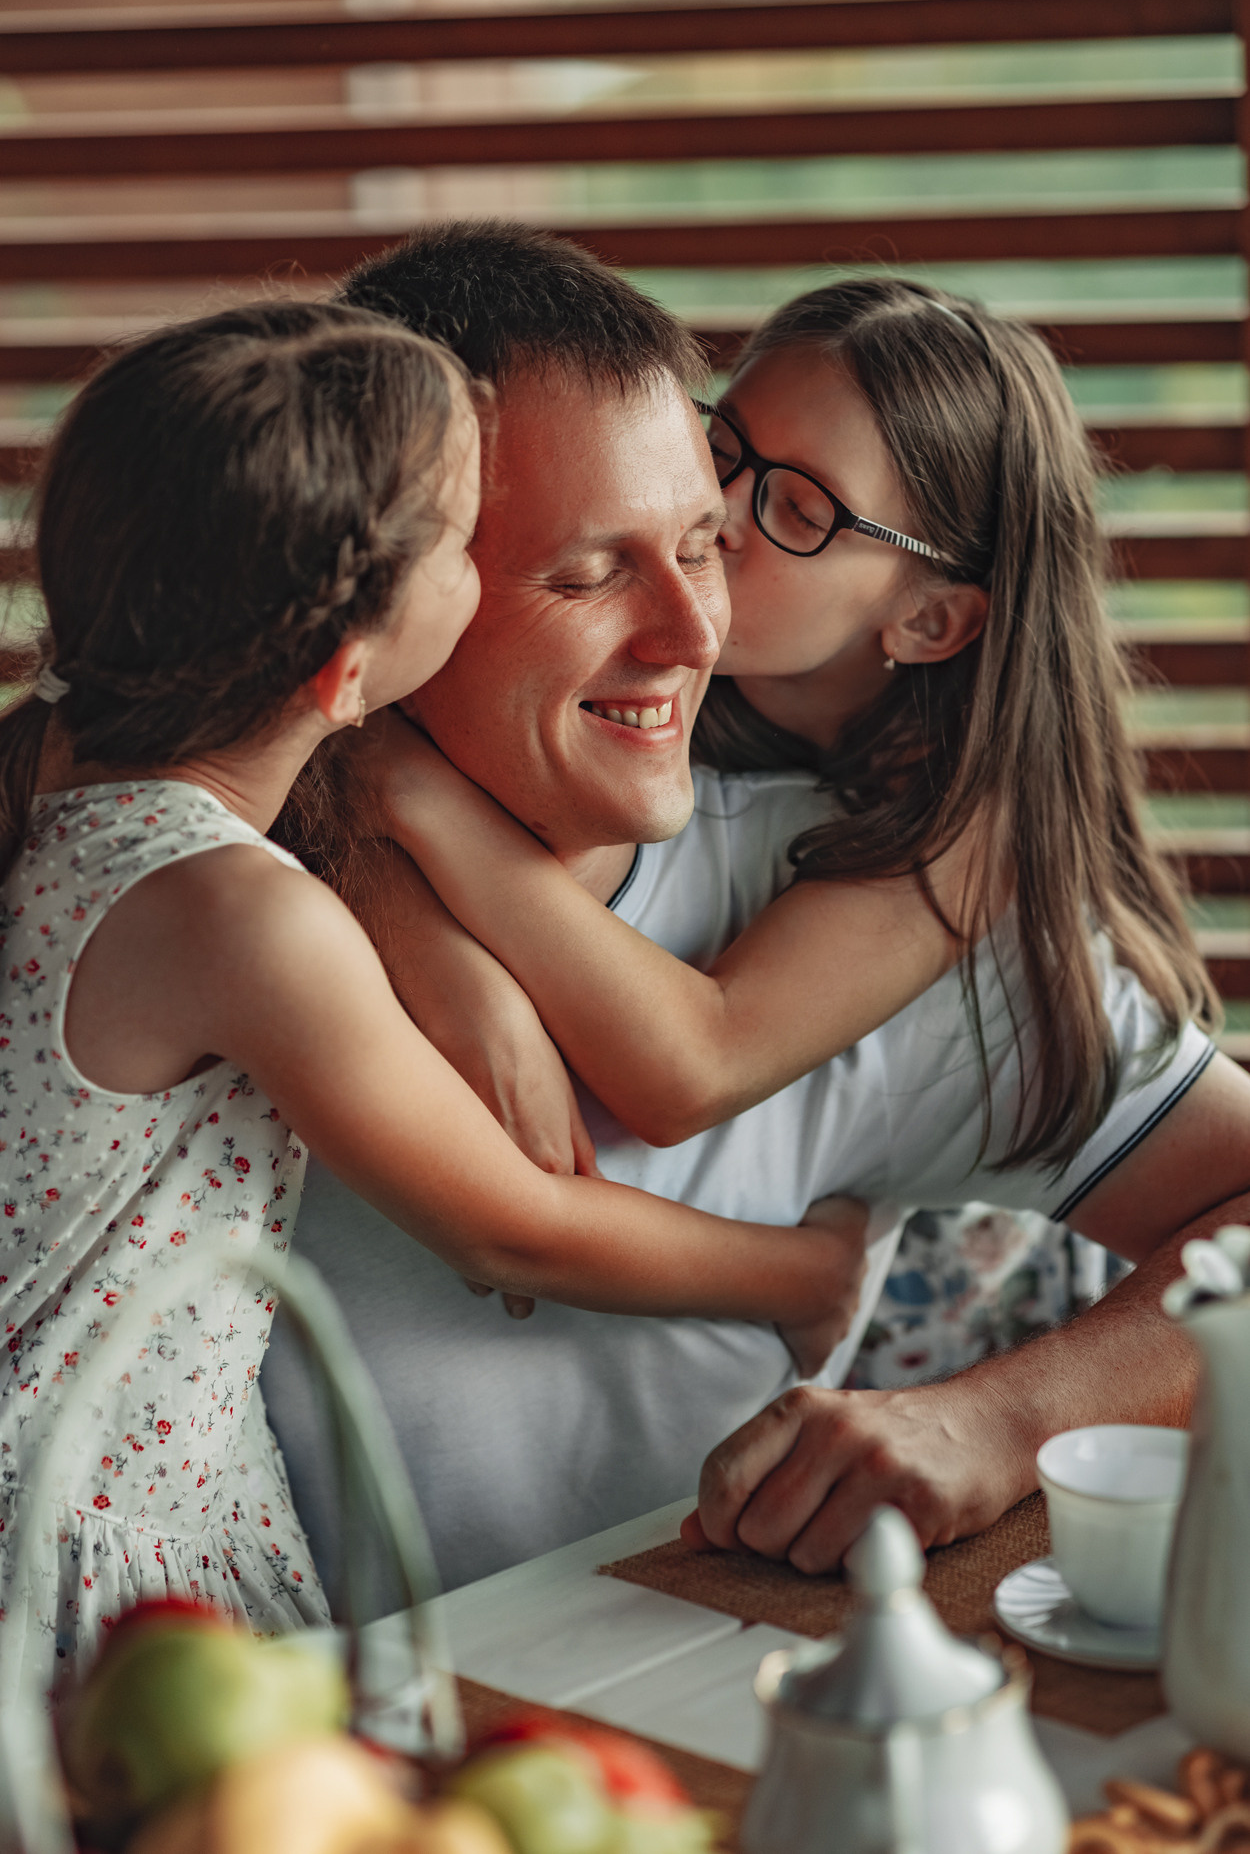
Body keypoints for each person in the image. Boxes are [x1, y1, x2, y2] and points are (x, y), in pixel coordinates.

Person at [259, 224, 1250, 1592]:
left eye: (729, 533)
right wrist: (387, 868)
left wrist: (997, 1419)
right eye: (586, 567)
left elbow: (689, 1064)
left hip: (672, 1692)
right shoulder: (188, 849)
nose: (700, 608)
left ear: (933, 621)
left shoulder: (907, 888)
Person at [0, 298, 865, 1688]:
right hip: (97, 1588)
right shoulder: (242, 915)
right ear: (350, 672)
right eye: (466, 546)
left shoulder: (60, 781)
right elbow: (512, 1226)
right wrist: (809, 1273)